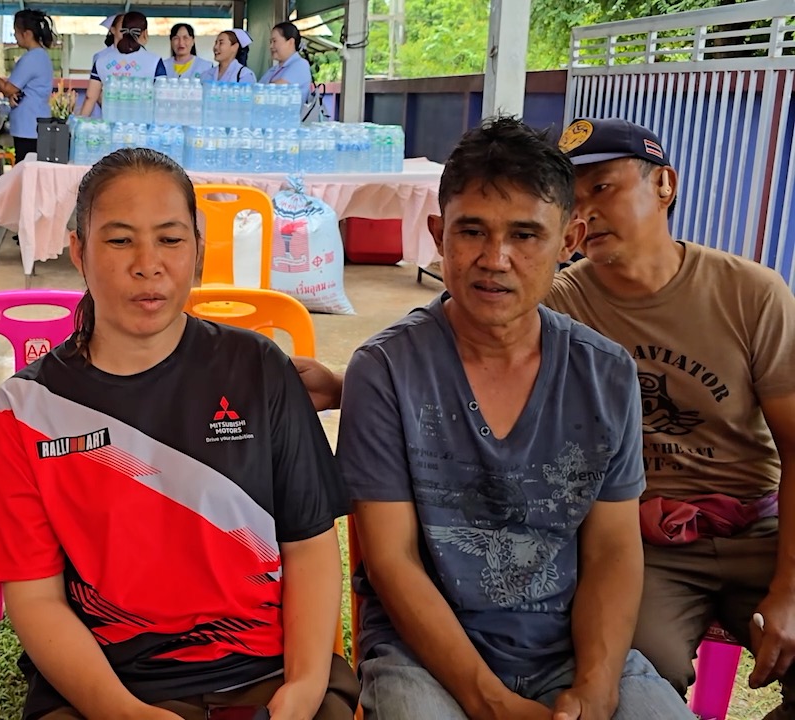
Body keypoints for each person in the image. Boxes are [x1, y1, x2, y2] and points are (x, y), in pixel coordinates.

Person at [0, 148, 357, 720]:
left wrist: (302, 687)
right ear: (78, 250)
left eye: (170, 239)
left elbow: (311, 545)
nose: (147, 264)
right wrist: (121, 712)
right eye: (119, 240)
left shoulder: (259, 369)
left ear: (197, 249)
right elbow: (34, 598)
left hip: (265, 673)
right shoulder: (25, 410)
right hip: (108, 688)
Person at [338, 117, 691, 719]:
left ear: (570, 239)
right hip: (423, 656)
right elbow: (391, 560)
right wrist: (491, 701)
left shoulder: (605, 374)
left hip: (566, 649)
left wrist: (597, 686)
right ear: (438, 234)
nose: (495, 259)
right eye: (471, 230)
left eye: (525, 235)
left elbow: (612, 550)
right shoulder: (386, 370)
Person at [549, 117, 795, 718]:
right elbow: (459, 352)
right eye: (569, 200)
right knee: (626, 677)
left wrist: (790, 589)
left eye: (602, 188)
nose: (585, 213)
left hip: (759, 528)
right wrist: (352, 383)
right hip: (641, 542)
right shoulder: (560, 302)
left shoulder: (750, 294)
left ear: (665, 184)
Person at [0, 8, 54, 164]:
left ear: (27, 34)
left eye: (16, 31)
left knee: (26, 168)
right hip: (35, 123)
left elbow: (7, 88)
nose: (14, 35)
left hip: (29, 126)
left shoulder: (31, 58)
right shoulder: (41, 56)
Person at [77, 11, 165, 118]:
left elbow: (90, 98)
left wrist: (79, 121)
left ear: (122, 30)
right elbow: (162, 99)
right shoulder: (155, 61)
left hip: (111, 125)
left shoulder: (101, 61)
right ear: (145, 33)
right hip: (143, 126)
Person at [259, 21, 312, 91]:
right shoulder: (273, 69)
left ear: (290, 42)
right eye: (270, 42)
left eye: (274, 41)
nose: (271, 46)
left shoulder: (301, 65)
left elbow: (275, 90)